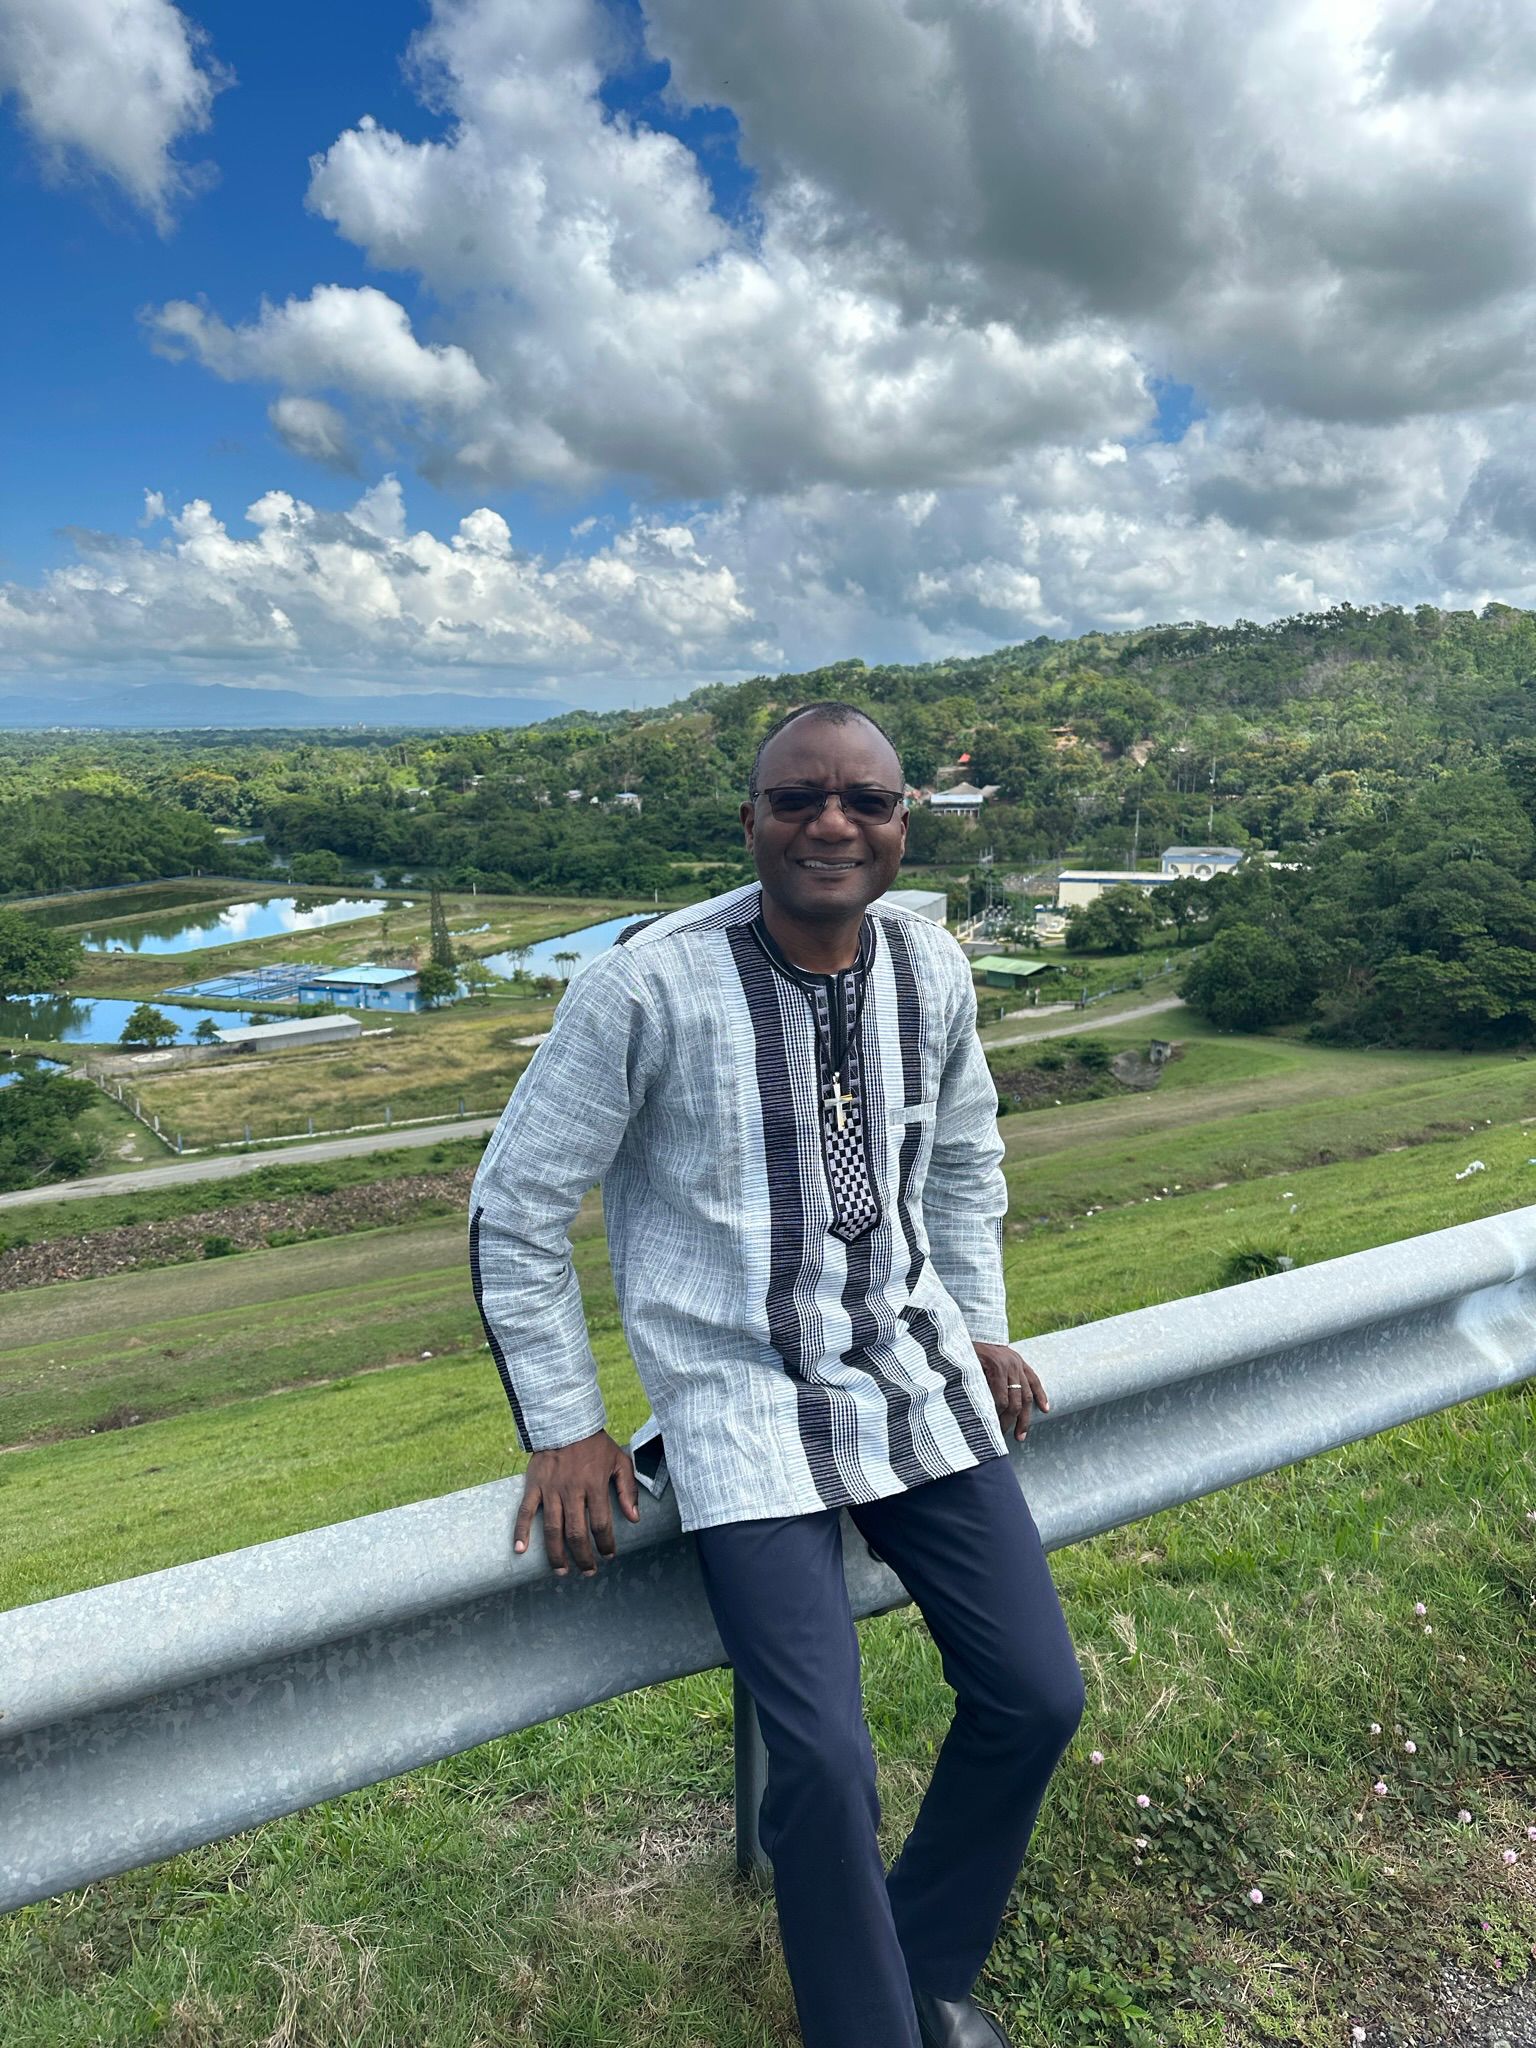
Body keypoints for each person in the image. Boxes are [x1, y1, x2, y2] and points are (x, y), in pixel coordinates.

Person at [470, 701, 1084, 2048]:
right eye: (798, 799)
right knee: (822, 1764)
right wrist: (568, 1425)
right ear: (749, 822)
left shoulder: (931, 965)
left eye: (866, 801)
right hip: (739, 1404)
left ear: (903, 824)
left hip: (911, 1376)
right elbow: (514, 1208)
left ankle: (918, 1974)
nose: (832, 824)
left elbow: (965, 1161)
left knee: (1038, 1694)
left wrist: (981, 1326)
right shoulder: (645, 987)